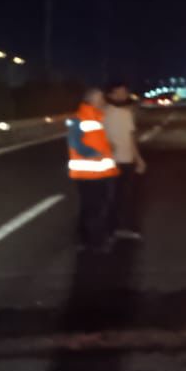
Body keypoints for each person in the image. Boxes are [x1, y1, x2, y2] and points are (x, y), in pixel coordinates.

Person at [67, 88, 118, 253]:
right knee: (96, 208)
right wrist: (96, 153)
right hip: (88, 174)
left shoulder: (96, 117)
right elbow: (75, 143)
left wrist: (106, 147)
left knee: (89, 207)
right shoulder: (78, 119)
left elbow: (95, 141)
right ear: (91, 100)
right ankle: (96, 242)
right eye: (100, 98)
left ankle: (82, 238)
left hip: (100, 172)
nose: (103, 100)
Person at [103, 81, 146, 241]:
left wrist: (138, 159)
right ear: (111, 94)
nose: (124, 95)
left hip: (127, 160)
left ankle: (124, 227)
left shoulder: (127, 113)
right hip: (110, 162)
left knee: (127, 196)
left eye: (125, 92)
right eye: (120, 92)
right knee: (111, 197)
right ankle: (110, 229)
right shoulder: (103, 113)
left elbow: (130, 138)